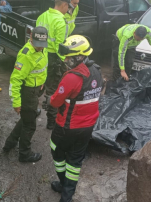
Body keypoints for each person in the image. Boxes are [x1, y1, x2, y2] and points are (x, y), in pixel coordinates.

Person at [47, 35, 103, 202]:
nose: (66, 59)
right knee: (75, 160)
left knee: (56, 150)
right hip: (88, 126)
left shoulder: (72, 77)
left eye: (69, 57)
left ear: (80, 56)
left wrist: (48, 99)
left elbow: (56, 101)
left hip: (68, 126)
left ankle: (64, 184)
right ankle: (67, 195)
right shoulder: (97, 71)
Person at [2, 27, 48, 162]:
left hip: (35, 90)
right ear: (31, 38)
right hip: (28, 93)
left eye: (43, 44)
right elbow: (15, 80)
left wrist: (42, 83)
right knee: (30, 125)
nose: (40, 47)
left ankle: (10, 143)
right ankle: (24, 154)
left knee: (27, 118)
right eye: (38, 44)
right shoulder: (26, 55)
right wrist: (16, 103)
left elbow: (40, 68)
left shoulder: (43, 48)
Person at [36, 0, 74, 129]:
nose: (68, 9)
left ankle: (32, 110)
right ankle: (51, 122)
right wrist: (65, 63)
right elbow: (61, 46)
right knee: (53, 90)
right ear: (64, 5)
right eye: (67, 6)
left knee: (38, 84)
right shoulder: (61, 21)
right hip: (54, 59)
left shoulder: (42, 16)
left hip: (40, 55)